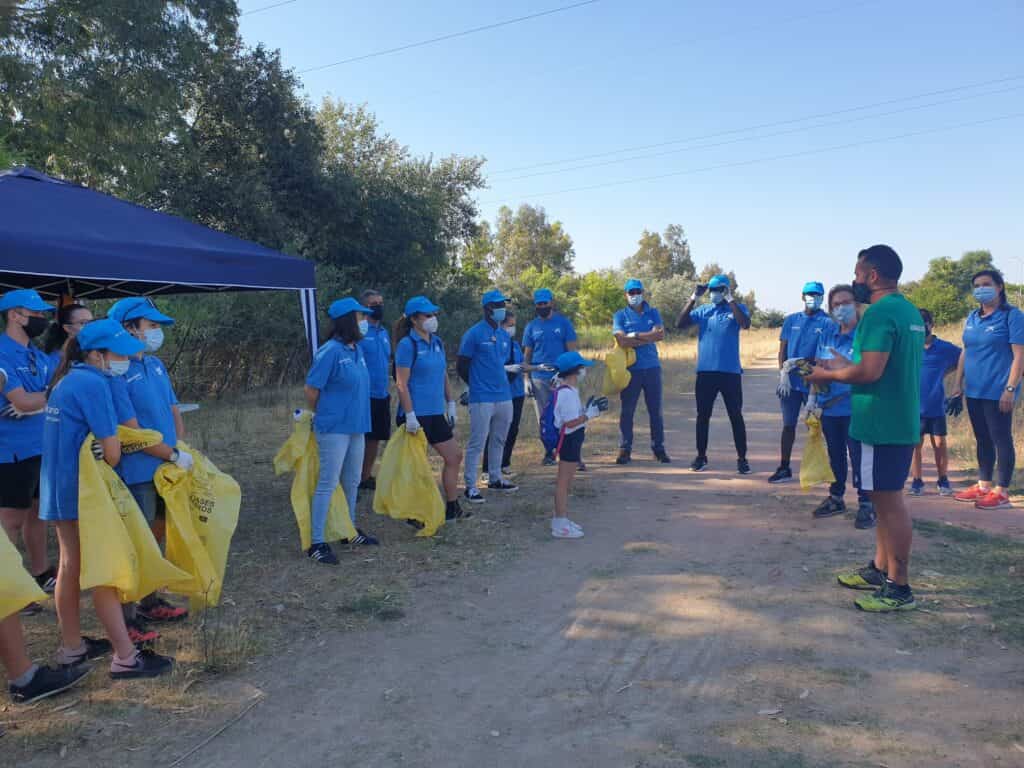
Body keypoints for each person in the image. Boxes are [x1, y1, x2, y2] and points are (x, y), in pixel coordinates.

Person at [40, 318, 175, 676]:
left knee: (70, 566)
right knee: (106, 570)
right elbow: (113, 452)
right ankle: (126, 657)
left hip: (59, 488)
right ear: (97, 354)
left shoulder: (67, 379)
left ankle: (72, 647)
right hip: (86, 494)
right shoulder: (94, 384)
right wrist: (109, 448)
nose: (126, 360)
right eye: (120, 353)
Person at [806, 244, 924, 612]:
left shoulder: (876, 314)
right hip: (898, 417)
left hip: (878, 422)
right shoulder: (907, 311)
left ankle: (898, 587)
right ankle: (879, 567)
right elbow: (881, 364)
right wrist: (847, 363)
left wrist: (827, 373)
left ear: (872, 275)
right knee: (880, 499)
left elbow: (868, 372)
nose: (855, 280)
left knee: (888, 504)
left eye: (858, 273)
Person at [107, 297, 191, 627]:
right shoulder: (116, 373)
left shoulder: (155, 365)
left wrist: (180, 447)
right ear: (129, 328)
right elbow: (132, 432)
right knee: (133, 542)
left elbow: (173, 410)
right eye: (151, 325)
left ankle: (150, 599)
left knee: (156, 533)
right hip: (138, 471)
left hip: (166, 468)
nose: (156, 332)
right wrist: (170, 454)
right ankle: (128, 617)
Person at [305, 298, 379, 564]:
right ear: (349, 320)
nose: (365, 321)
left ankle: (348, 531)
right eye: (361, 316)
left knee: (352, 481)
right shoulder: (331, 351)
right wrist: (322, 415)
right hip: (334, 428)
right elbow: (312, 389)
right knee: (328, 482)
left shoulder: (355, 350)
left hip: (357, 426)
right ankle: (316, 542)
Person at [0, 289, 58, 602]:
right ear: (14, 315)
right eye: (35, 314)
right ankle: (8, 588)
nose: (41, 319)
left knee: (38, 514)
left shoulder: (35, 353)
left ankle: (41, 573)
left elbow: (55, 389)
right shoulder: (1, 352)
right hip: (11, 450)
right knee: (10, 520)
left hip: (42, 445)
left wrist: (37, 403)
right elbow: (20, 399)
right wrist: (43, 399)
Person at [951, 269, 1024, 509]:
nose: (980, 288)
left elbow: (1019, 356)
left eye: (986, 284)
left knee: (1000, 438)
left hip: (998, 390)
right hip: (974, 390)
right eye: (977, 285)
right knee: (982, 439)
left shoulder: (1012, 316)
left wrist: (1010, 388)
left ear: (999, 286)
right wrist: (957, 383)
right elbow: (966, 351)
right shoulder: (972, 317)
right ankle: (983, 485)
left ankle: (1001, 492)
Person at [394, 296, 467, 521]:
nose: (432, 319)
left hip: (436, 412)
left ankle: (452, 507)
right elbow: (401, 383)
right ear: (414, 319)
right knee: (417, 467)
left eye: (433, 314)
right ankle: (414, 513)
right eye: (427, 315)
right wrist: (410, 415)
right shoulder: (407, 345)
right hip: (415, 415)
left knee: (454, 457)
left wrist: (451, 402)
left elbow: (442, 373)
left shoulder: (437, 342)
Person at [809, 285, 875, 529]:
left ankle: (867, 504)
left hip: (856, 407)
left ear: (857, 305)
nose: (841, 308)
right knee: (835, 455)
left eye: (845, 302)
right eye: (835, 304)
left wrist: (839, 366)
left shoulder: (865, 336)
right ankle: (836, 497)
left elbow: (866, 371)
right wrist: (813, 399)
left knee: (860, 458)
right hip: (830, 407)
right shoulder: (828, 335)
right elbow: (819, 367)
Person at [676, 274, 751, 474]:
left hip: (730, 372)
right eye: (712, 290)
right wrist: (693, 297)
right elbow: (680, 324)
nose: (714, 294)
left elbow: (745, 324)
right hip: (706, 372)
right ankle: (701, 457)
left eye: (718, 290)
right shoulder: (703, 310)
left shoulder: (737, 309)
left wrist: (731, 300)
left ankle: (742, 459)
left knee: (735, 415)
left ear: (726, 290)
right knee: (703, 416)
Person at [457, 290, 519, 503]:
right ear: (487, 308)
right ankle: (470, 486)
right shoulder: (474, 333)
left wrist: (503, 383)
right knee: (478, 441)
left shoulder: (504, 335)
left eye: (504, 304)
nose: (503, 308)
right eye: (498, 304)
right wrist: (475, 385)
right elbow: (462, 364)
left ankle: (495, 477)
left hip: (503, 396)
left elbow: (506, 365)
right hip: (482, 397)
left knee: (499, 438)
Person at [771, 281, 835, 483]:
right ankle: (784, 467)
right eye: (809, 294)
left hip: (813, 380)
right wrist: (782, 372)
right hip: (790, 382)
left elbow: (824, 356)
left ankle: (821, 467)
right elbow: (783, 349)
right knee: (788, 425)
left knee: (815, 426)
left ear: (822, 297)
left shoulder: (827, 322)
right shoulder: (791, 320)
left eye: (816, 295)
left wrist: (799, 363)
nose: (812, 298)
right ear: (802, 296)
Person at [613, 279, 669, 465]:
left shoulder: (653, 312)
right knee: (627, 411)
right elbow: (621, 340)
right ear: (625, 294)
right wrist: (648, 337)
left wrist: (635, 336)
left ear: (643, 292)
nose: (634, 295)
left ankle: (658, 449)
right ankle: (625, 449)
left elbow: (660, 334)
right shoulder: (620, 315)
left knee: (656, 411)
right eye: (631, 292)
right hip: (631, 370)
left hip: (652, 368)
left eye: (637, 291)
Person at [550, 351, 603, 539]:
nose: (584, 371)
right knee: (563, 483)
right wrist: (590, 414)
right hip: (569, 441)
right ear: (574, 371)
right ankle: (560, 523)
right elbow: (570, 422)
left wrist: (587, 410)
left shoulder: (569, 391)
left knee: (566, 482)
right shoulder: (567, 394)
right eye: (582, 368)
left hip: (572, 440)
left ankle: (561, 519)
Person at [522, 289, 577, 465]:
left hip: (561, 377)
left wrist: (568, 375)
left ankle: (569, 451)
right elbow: (527, 356)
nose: (542, 306)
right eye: (539, 304)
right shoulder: (531, 327)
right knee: (545, 417)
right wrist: (526, 379)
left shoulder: (563, 323)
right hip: (539, 378)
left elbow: (571, 352)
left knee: (565, 414)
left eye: (545, 303)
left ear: (551, 303)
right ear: (536, 305)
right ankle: (549, 452)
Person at [909, 308, 961, 497]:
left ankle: (943, 479)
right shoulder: (909, 347)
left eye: (924, 322)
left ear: (931, 324)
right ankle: (917, 480)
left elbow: (962, 358)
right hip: (914, 406)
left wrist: (948, 376)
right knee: (915, 444)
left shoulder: (945, 348)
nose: (921, 327)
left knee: (939, 443)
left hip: (936, 404)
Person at [482, 308, 534, 478]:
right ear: (500, 325)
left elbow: (522, 364)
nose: (512, 328)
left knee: (512, 429)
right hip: (502, 393)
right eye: (509, 325)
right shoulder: (494, 343)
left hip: (517, 392)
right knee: (495, 431)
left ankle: (504, 464)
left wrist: (528, 378)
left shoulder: (515, 344)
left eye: (514, 325)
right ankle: (487, 469)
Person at [358, 289, 391, 491]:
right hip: (362, 395)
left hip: (381, 394)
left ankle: (365, 476)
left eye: (380, 302)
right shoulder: (359, 332)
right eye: (373, 304)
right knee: (358, 439)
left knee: (375, 438)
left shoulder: (384, 332)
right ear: (364, 308)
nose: (379, 307)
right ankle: (351, 477)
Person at [42, 303, 93, 371]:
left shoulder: (92, 353)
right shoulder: (56, 361)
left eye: (92, 322)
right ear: (68, 328)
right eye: (83, 323)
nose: (91, 326)